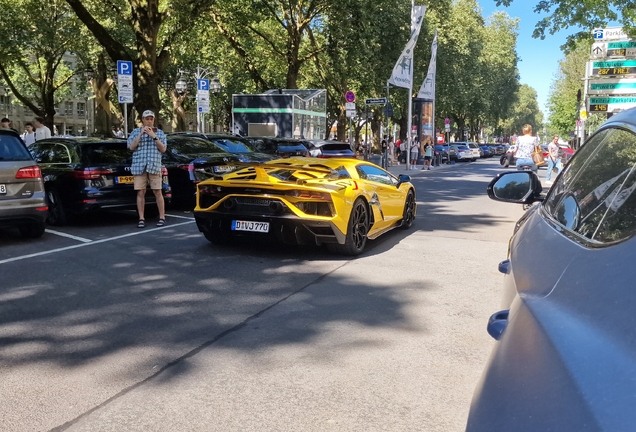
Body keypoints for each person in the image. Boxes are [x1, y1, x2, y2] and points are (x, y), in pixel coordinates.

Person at [127, 110, 167, 228]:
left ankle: (162, 217)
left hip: (154, 165)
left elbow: (163, 149)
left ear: (153, 120)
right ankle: (141, 218)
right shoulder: (135, 132)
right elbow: (131, 147)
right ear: (143, 120)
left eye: (151, 119)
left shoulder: (160, 133)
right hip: (140, 166)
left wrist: (153, 136)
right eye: (147, 119)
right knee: (141, 191)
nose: (149, 121)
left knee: (157, 191)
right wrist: (141, 134)